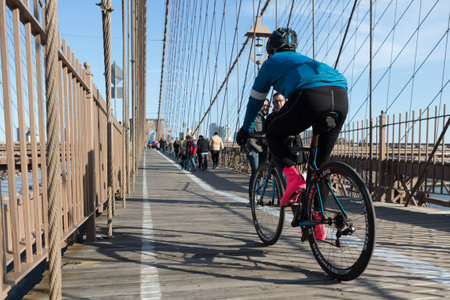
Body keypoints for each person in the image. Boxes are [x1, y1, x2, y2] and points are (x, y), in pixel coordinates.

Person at [236, 28, 348, 240]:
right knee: (319, 166)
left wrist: (246, 129)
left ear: (270, 50)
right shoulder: (304, 60)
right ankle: (317, 222)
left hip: (310, 97)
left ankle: (293, 178)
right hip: (341, 96)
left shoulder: (270, 63)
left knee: (273, 134)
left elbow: (255, 102)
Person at [245, 99, 269, 187]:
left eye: (267, 106)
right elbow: (248, 131)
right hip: (253, 147)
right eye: (264, 105)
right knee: (256, 172)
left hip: (262, 148)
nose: (266, 107)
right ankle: (253, 197)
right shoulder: (253, 115)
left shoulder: (264, 117)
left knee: (261, 172)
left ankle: (257, 194)